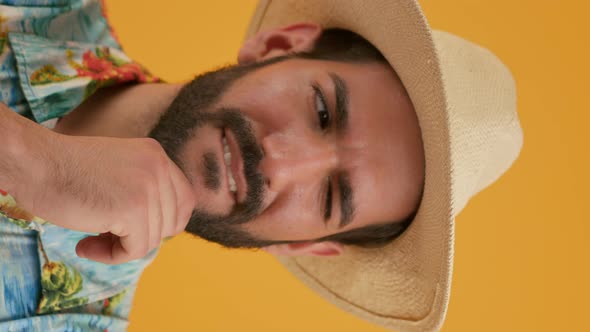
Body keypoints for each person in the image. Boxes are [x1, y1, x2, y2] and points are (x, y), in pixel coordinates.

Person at [0, 0, 523, 331]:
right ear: (276, 46)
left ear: (301, 247)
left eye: (329, 196)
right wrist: (30, 160)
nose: (281, 161)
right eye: (322, 111)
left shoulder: (59, 323)